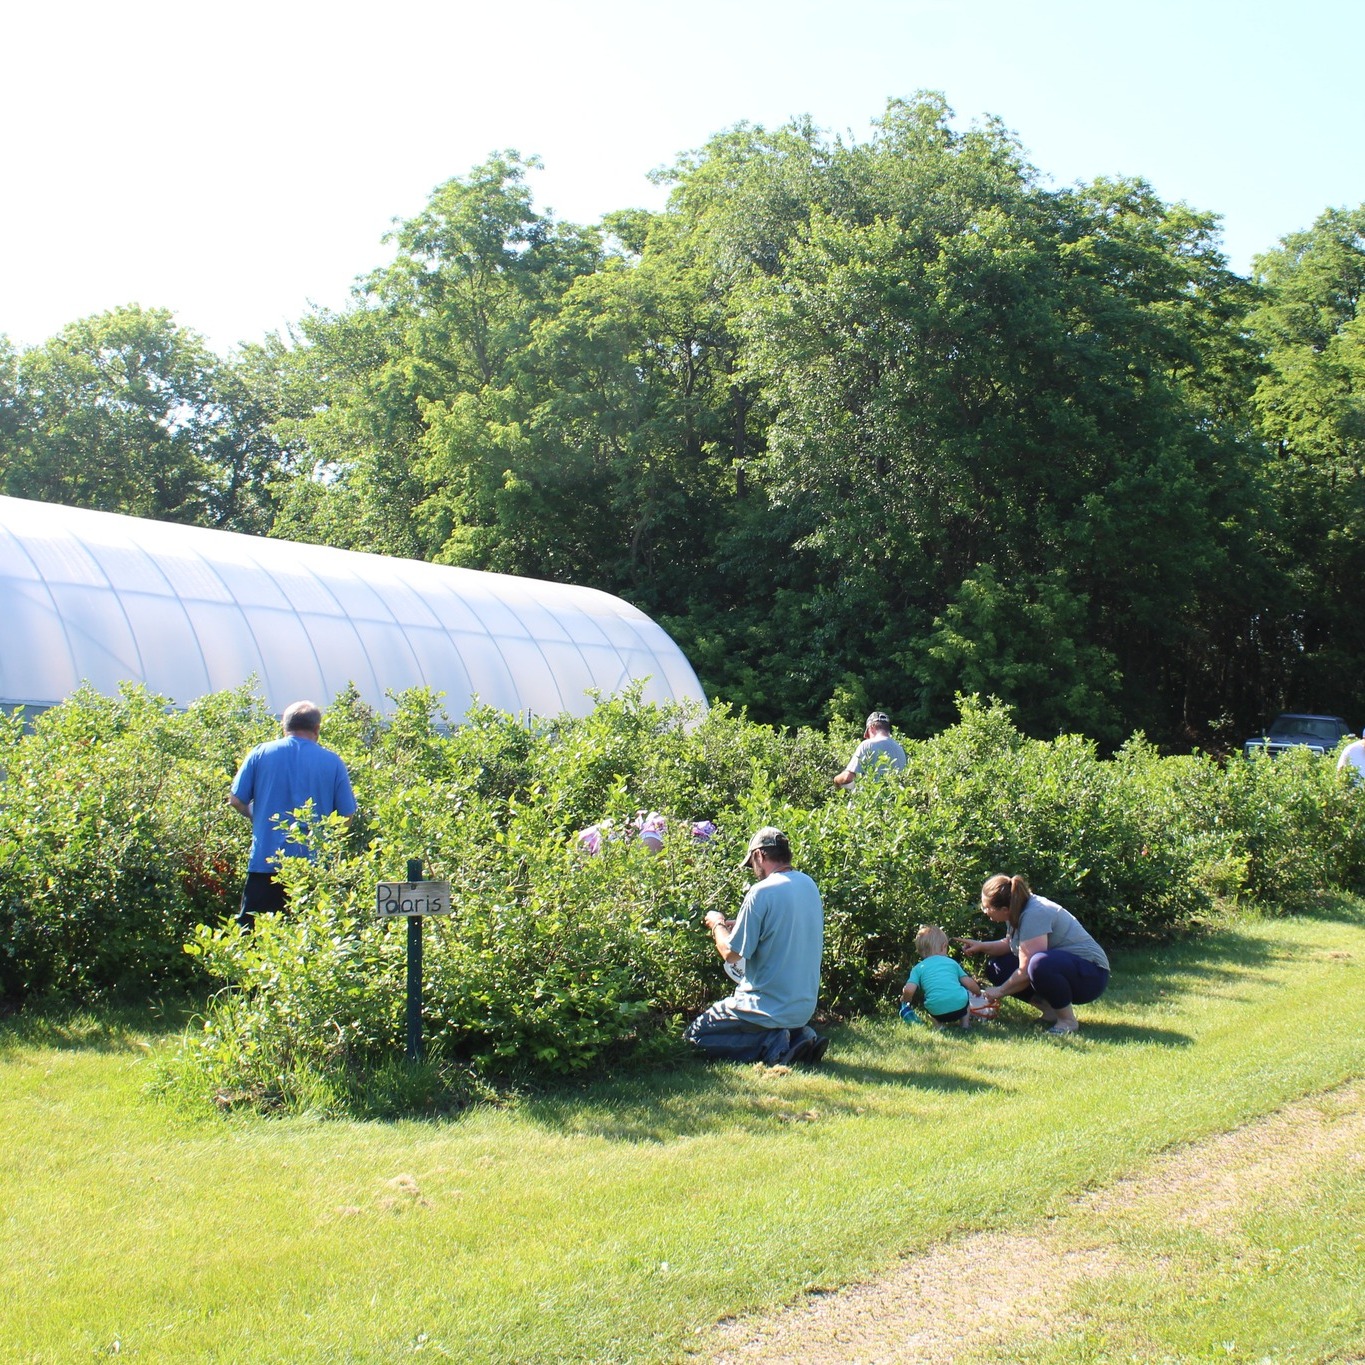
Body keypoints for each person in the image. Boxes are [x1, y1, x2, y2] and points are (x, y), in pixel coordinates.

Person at [684, 826, 828, 1065]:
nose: (754, 871)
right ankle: (801, 1037)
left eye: (752, 864)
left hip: (763, 1006)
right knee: (770, 1025)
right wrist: (741, 923)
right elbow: (780, 927)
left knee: (695, 1036)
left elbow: (731, 954)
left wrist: (717, 925)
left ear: (759, 855)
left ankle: (773, 1045)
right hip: (802, 1008)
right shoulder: (808, 884)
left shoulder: (761, 892)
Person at [228, 700, 358, 930]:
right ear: (317, 729)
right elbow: (347, 815)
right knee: (310, 937)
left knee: (252, 936)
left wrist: (256, 817)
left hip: (264, 865)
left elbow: (236, 800)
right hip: (313, 868)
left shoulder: (260, 753)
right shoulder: (333, 762)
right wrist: (328, 840)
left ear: (283, 726)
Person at [959, 874, 1109, 1036]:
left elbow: (1027, 968)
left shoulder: (1034, 913)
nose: (984, 911)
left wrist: (1000, 991)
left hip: (1091, 975)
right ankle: (1051, 1011)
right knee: (997, 967)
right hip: (1069, 968)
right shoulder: (1015, 907)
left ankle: (1067, 1021)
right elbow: (1012, 945)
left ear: (1004, 909)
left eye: (987, 907)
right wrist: (981, 946)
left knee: (1039, 964)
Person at [901, 924, 981, 1030]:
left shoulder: (918, 968)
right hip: (960, 1008)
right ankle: (965, 1024)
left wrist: (905, 999)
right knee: (964, 993)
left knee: (929, 1001)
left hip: (937, 1012)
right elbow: (969, 983)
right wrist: (978, 992)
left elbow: (909, 990)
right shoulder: (952, 963)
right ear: (944, 946)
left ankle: (939, 1025)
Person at [834, 711, 907, 787]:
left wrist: (836, 780)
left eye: (868, 733)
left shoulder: (867, 745)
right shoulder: (900, 748)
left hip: (875, 797)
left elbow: (848, 778)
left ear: (872, 727)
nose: (867, 737)